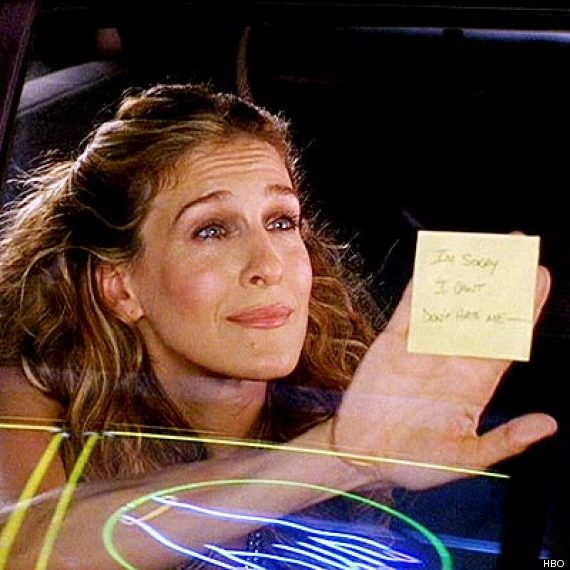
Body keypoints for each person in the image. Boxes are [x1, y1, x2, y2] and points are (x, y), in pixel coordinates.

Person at [0, 83, 557, 569]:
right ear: (120, 288)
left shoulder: (365, 405)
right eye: (212, 230)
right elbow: (20, 549)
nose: (268, 265)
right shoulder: (33, 396)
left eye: (282, 222)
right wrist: (337, 455)